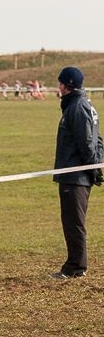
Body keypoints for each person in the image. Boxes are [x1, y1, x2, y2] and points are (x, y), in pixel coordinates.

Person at [51, 66, 103, 279]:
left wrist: (93, 168)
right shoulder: (80, 105)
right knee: (73, 222)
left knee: (74, 223)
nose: (58, 86)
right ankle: (76, 265)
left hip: (75, 177)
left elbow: (89, 142)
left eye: (60, 82)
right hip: (76, 174)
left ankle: (75, 268)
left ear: (67, 85)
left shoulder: (77, 107)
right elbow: (98, 139)